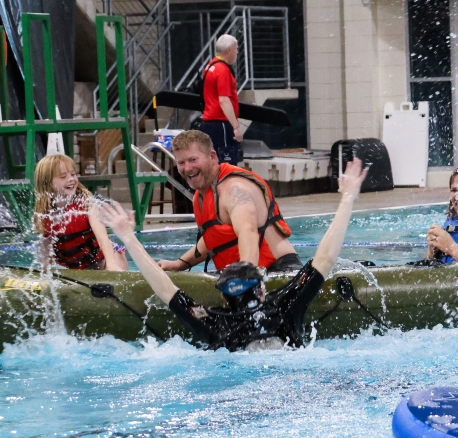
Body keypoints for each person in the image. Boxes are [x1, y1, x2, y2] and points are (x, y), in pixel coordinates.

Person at [96, 157, 369, 351]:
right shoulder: (284, 308)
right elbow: (325, 258)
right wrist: (347, 198)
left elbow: (165, 289)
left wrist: (128, 237)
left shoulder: (216, 324)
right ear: (262, 291)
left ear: (224, 298)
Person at [158, 130, 302, 273]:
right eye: (181, 162)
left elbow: (248, 230)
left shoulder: (234, 189)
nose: (187, 168)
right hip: (243, 272)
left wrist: (246, 273)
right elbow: (214, 238)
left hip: (280, 270)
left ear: (212, 157)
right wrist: (179, 264)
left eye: (193, 160)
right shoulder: (201, 194)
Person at [33, 153, 127, 271]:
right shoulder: (45, 213)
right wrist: (43, 272)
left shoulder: (87, 204)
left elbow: (103, 239)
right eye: (63, 177)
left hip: (106, 258)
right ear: (47, 183)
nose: (71, 179)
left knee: (115, 272)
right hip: (79, 268)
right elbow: (46, 249)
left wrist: (111, 265)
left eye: (73, 174)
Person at [199, 33, 243, 165]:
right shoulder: (222, 70)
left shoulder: (210, 66)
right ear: (229, 50)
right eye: (236, 49)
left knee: (212, 163)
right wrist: (236, 127)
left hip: (209, 123)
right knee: (226, 165)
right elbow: (224, 100)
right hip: (221, 124)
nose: (237, 52)